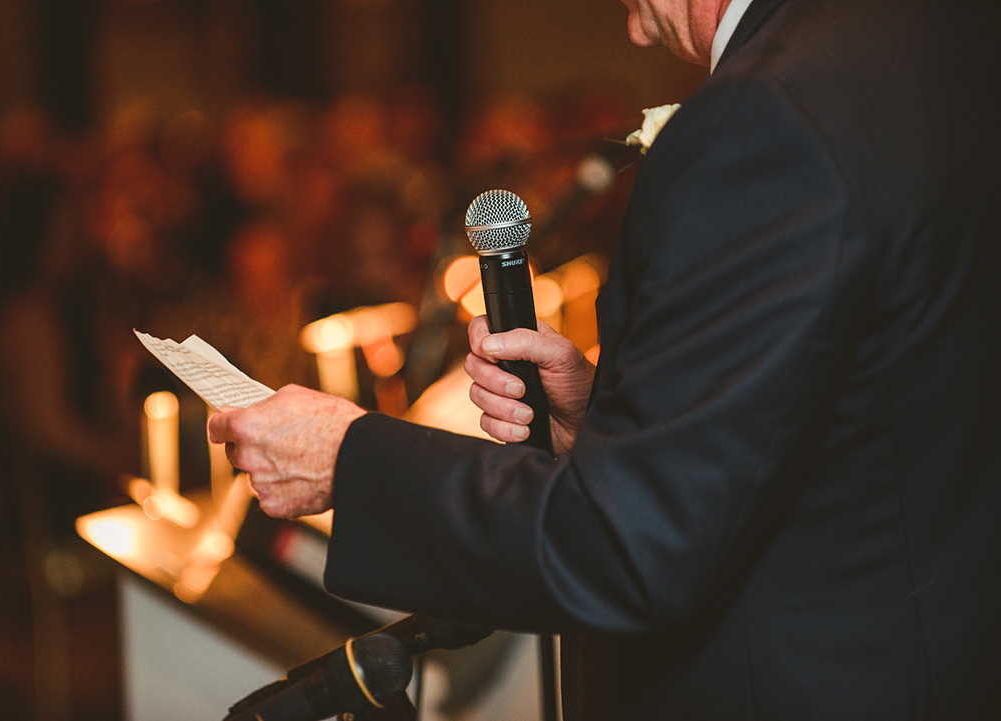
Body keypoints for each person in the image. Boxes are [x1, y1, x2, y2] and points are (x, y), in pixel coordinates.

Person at [208, 0, 1001, 717]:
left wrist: (350, 460)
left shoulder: (770, 112)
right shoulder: (942, 40)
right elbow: (880, 404)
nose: (621, 18)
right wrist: (618, 419)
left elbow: (629, 546)